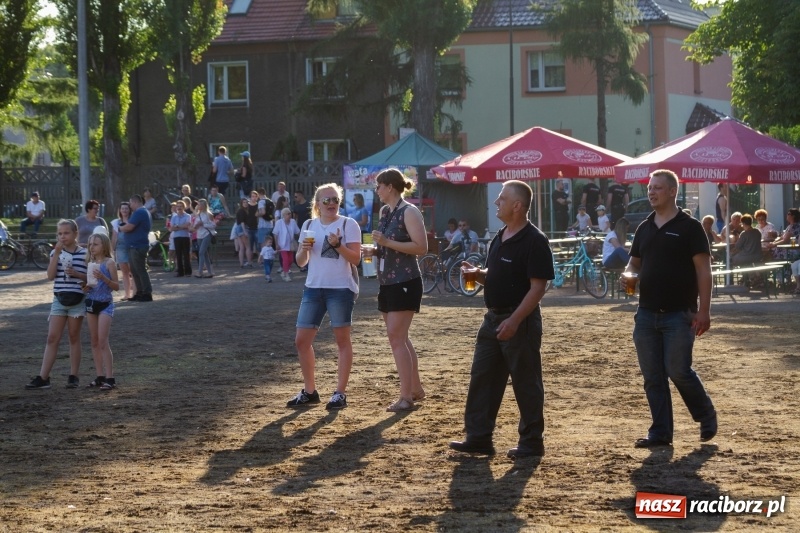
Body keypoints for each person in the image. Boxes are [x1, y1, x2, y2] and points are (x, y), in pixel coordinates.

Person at [449, 180, 554, 459]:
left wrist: (516, 320)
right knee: (482, 377)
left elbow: (538, 287)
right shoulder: (501, 235)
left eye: (502, 199)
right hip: (493, 318)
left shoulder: (535, 240)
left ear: (518, 206)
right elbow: (497, 276)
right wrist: (479, 274)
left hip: (519, 320)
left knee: (526, 382)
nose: (497, 202)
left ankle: (532, 443)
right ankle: (478, 437)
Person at [624, 169, 716, 448]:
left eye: (657, 188)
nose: (651, 192)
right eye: (650, 188)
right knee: (653, 376)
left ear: (673, 191)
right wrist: (628, 274)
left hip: (680, 313)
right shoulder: (644, 227)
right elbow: (634, 264)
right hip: (646, 313)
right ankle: (661, 433)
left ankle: (705, 414)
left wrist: (704, 310)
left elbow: (704, 270)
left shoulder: (690, 227)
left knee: (678, 370)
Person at [286, 183, 361, 410]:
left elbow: (356, 259)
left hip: (340, 289)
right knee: (302, 341)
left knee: (342, 340)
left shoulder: (349, 224)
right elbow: (300, 263)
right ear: (317, 204)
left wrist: (338, 245)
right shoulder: (308, 225)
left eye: (335, 200)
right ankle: (310, 392)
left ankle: (340, 393)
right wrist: (304, 250)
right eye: (326, 200)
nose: (331, 204)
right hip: (313, 288)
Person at [369, 168, 428, 412]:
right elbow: (387, 246)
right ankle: (415, 389)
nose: (377, 190)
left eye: (379, 186)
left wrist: (386, 243)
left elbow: (421, 247)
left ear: (389, 186)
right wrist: (374, 250)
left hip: (405, 281)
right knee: (400, 337)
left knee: (396, 337)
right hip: (388, 281)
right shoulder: (386, 212)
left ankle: (406, 397)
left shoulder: (409, 212)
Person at [25, 219, 88, 389]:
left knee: (74, 337)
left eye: (66, 233)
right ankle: (43, 377)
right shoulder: (55, 253)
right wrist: (57, 254)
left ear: (75, 234)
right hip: (59, 299)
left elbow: (90, 278)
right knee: (52, 337)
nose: (63, 236)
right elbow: (50, 276)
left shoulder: (84, 254)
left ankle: (73, 376)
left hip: (77, 299)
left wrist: (77, 274)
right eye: (60, 234)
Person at [83, 232, 119, 391]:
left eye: (95, 244)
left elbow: (116, 286)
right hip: (91, 303)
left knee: (103, 341)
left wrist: (104, 278)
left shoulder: (109, 263)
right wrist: (85, 287)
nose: (92, 247)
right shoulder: (90, 263)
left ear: (104, 246)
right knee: (94, 341)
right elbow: (90, 285)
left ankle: (110, 378)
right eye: (90, 244)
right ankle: (99, 376)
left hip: (105, 304)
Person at [119, 194, 153, 302]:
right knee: (134, 270)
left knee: (140, 270)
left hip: (137, 246)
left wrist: (121, 228)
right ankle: (139, 292)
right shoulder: (142, 212)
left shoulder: (139, 212)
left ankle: (147, 293)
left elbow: (129, 227)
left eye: (130, 203)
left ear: (135, 202)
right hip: (134, 246)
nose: (130, 206)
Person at [110, 202, 136, 301]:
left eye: (126, 208)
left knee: (132, 271)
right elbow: (114, 236)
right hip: (120, 247)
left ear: (129, 210)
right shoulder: (116, 222)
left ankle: (135, 293)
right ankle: (127, 294)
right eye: (123, 208)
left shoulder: (133, 221)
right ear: (120, 210)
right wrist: (112, 248)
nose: (124, 210)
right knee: (124, 272)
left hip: (130, 247)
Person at [273, 207, 300, 280]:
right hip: (282, 245)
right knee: (285, 259)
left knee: (291, 260)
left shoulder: (293, 221)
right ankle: (286, 275)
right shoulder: (279, 222)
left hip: (290, 245)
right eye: (288, 214)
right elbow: (275, 234)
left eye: (290, 213)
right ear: (283, 215)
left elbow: (297, 231)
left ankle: (284, 272)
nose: (290, 215)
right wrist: (276, 244)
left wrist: (301, 238)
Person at [192, 198, 217, 278]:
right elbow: (195, 226)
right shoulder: (198, 215)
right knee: (205, 254)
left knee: (201, 252)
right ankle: (210, 272)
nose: (198, 206)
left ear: (203, 205)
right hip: (199, 235)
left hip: (207, 234)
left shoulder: (208, 214)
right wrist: (196, 226)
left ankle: (200, 272)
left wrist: (203, 224)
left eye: (199, 204)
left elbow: (213, 225)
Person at [169, 200, 193, 277]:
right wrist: (181, 227)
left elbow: (187, 226)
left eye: (181, 206)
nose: (179, 208)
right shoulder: (174, 217)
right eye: (178, 206)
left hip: (185, 237)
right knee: (178, 255)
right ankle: (180, 271)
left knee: (186, 254)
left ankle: (188, 271)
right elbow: (172, 228)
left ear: (184, 207)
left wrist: (178, 226)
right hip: (176, 237)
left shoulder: (188, 216)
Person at [233, 198, 252, 268]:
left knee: (241, 247)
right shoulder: (242, 211)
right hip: (242, 228)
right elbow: (242, 222)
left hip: (238, 229)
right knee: (247, 246)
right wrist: (245, 231)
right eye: (244, 202)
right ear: (241, 203)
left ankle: (241, 263)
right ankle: (249, 262)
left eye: (246, 202)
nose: (245, 203)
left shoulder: (239, 211)